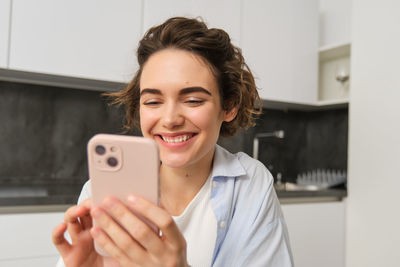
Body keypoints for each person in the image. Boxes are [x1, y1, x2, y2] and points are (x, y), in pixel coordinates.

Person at [52, 17, 294, 267]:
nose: (169, 120)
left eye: (193, 100)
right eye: (153, 102)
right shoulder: (101, 193)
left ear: (229, 106)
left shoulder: (250, 184)